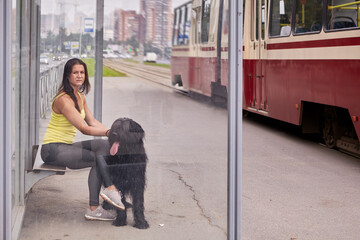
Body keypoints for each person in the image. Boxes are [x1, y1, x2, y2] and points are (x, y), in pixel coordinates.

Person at [41, 58, 123, 221]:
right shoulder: (63, 99)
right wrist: (109, 132)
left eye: (82, 72)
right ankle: (98, 203)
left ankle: (109, 190)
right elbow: (84, 129)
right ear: (67, 75)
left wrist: (113, 135)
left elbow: (92, 122)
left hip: (65, 146)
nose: (79, 76)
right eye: (75, 72)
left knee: (103, 145)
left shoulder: (80, 96)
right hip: (52, 150)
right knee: (96, 160)